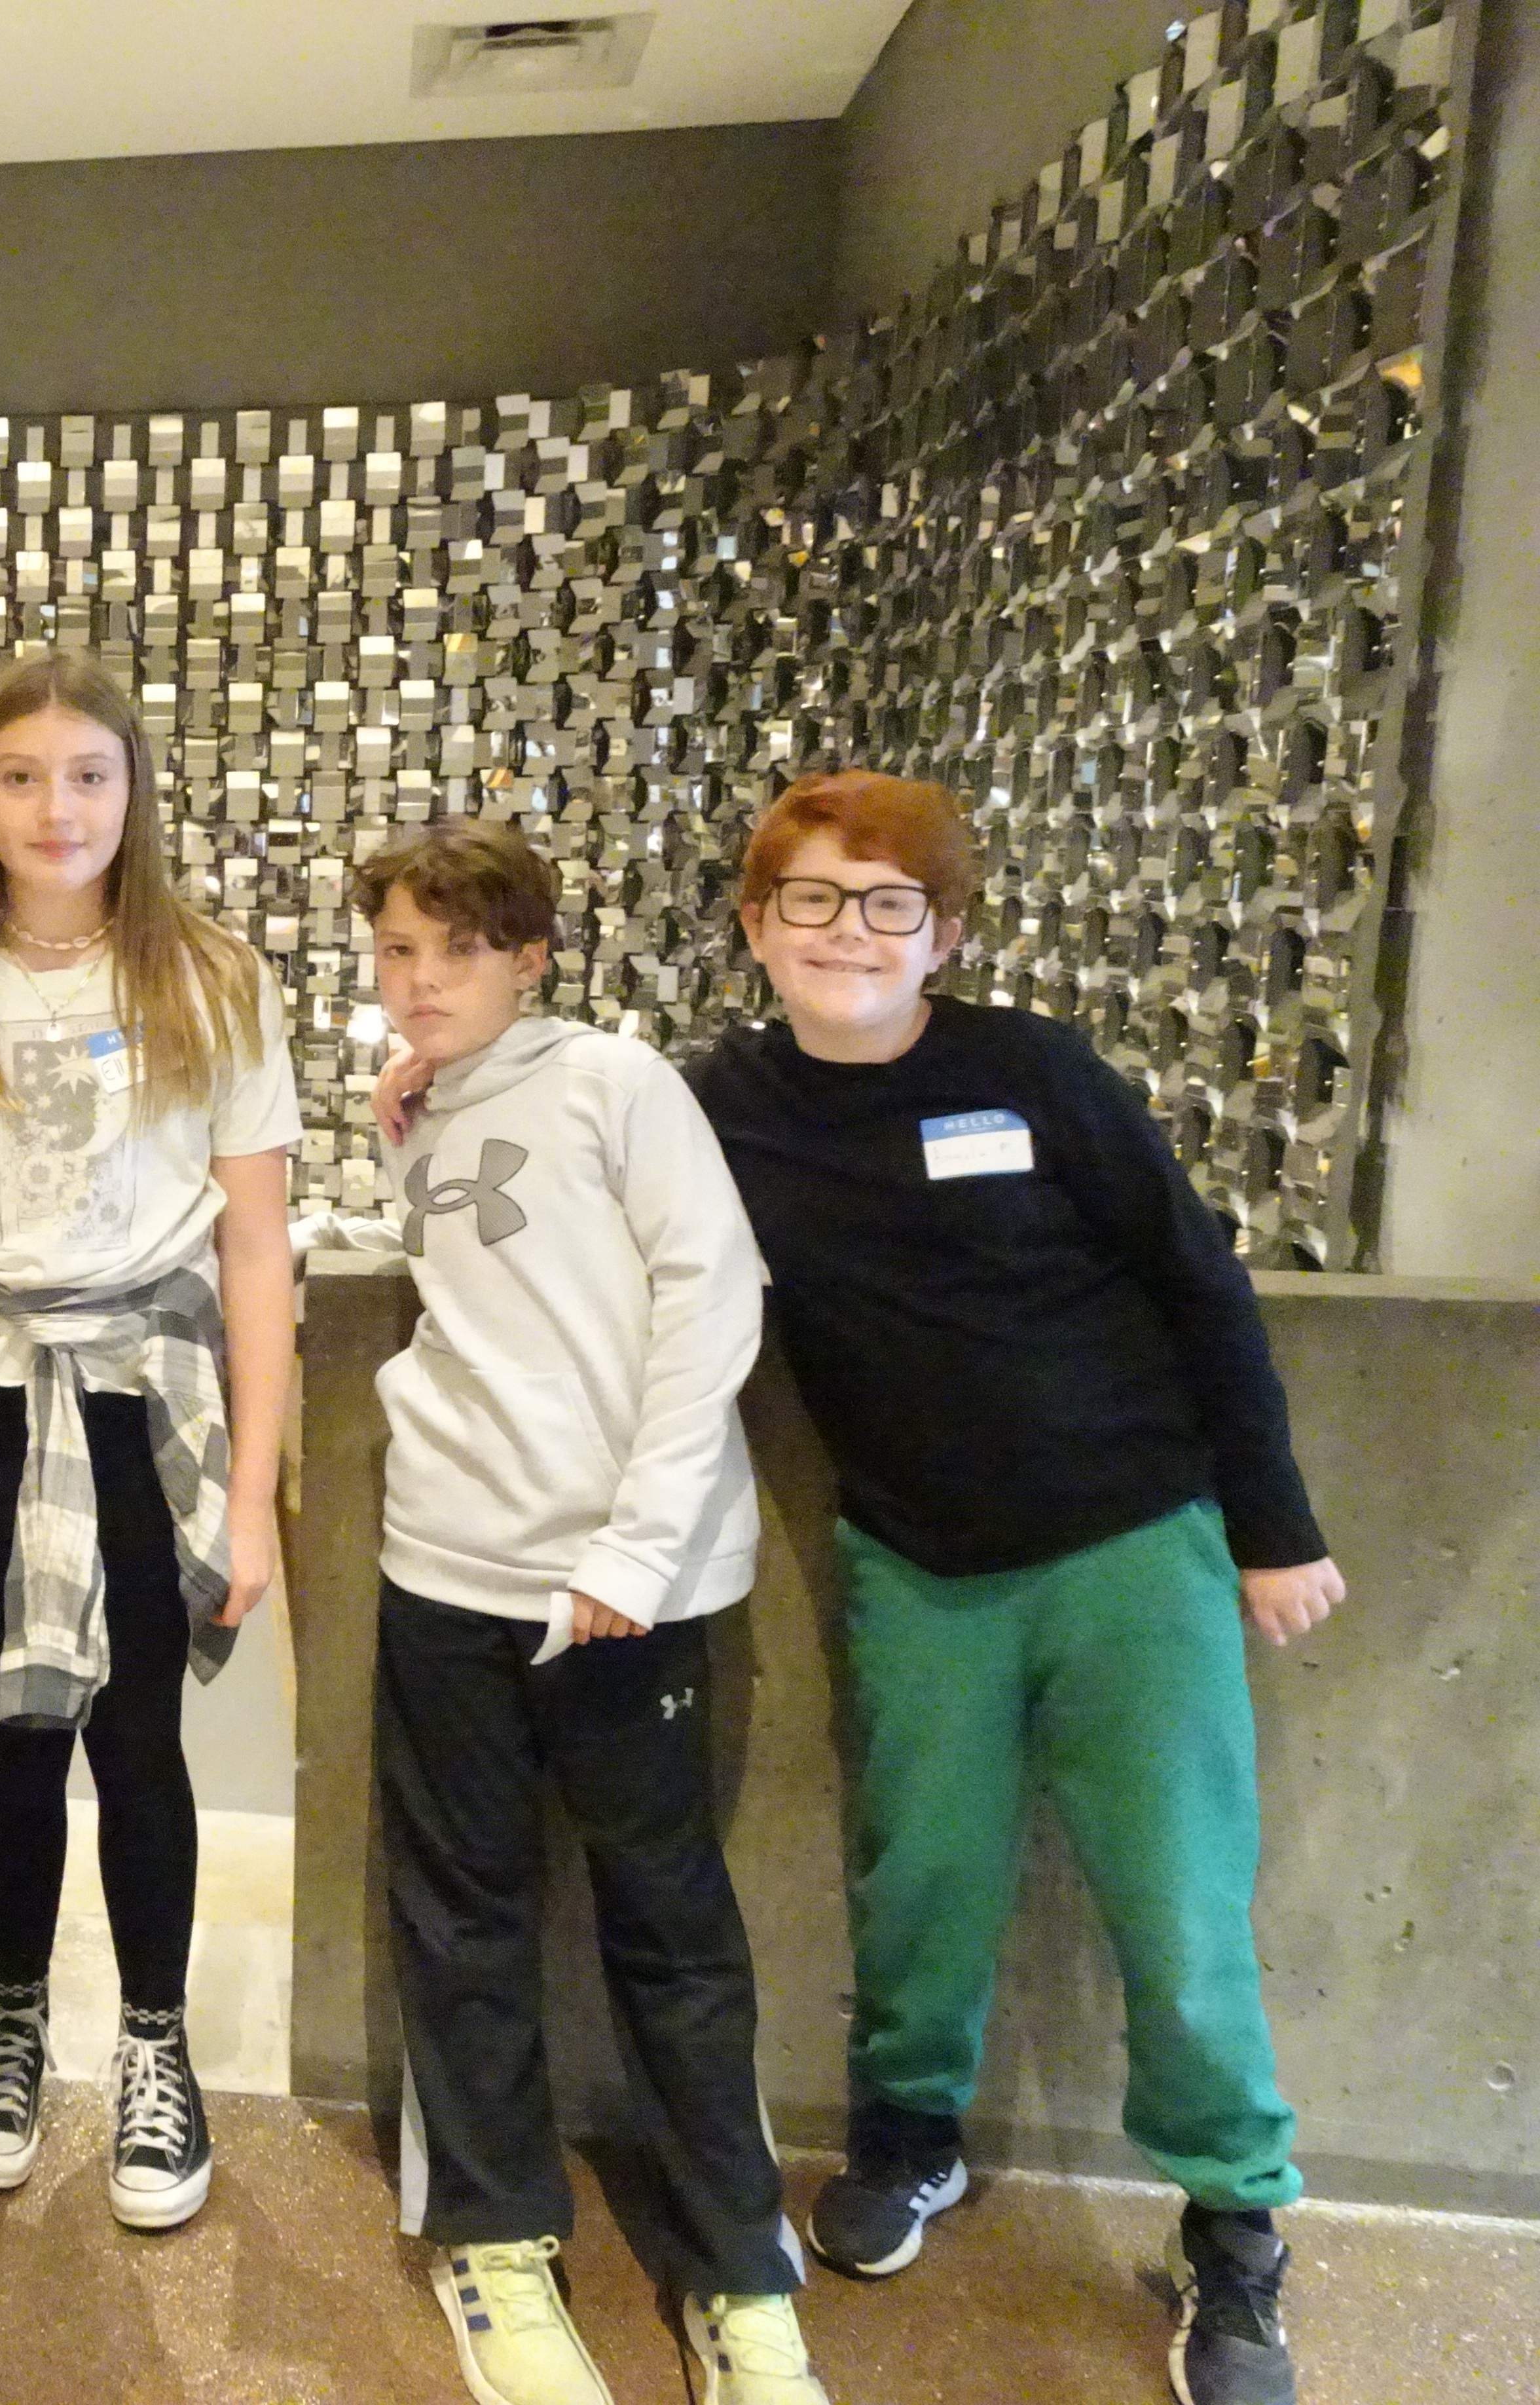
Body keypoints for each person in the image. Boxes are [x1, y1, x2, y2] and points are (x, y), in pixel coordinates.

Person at [686, 770, 1342, 2405]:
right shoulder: (719, 1107)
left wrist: (1274, 1527)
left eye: (891, 902)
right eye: (815, 900)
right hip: (920, 1564)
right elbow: (573, 1161)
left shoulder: (1034, 1070)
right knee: (924, 1880)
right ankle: (915, 2138)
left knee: (1179, 1911)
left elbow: (1201, 1286)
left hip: (1135, 1548)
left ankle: (1234, 2225)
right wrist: (431, 1093)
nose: (853, 932)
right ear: (759, 927)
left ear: (946, 931)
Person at [0, 648, 300, 2233]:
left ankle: (154, 2048)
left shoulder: (211, 975)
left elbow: (254, 1248)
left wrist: (267, 1492)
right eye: (21, 777)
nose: (57, 807)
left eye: (89, 774)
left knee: (139, 1726)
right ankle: (11, 2024)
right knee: (16, 1731)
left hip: (155, 1390)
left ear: (134, 791)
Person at [356, 819, 830, 2405]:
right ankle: (494, 2240)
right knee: (460, 1907)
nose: (417, 982)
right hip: (445, 1565)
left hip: (625, 1586)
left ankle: (739, 2269)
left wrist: (635, 1548)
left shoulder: (619, 1084)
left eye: (456, 952)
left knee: (672, 1921)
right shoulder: (418, 1111)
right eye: (397, 953)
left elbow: (714, 1299)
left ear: (532, 958)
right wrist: (402, 1117)